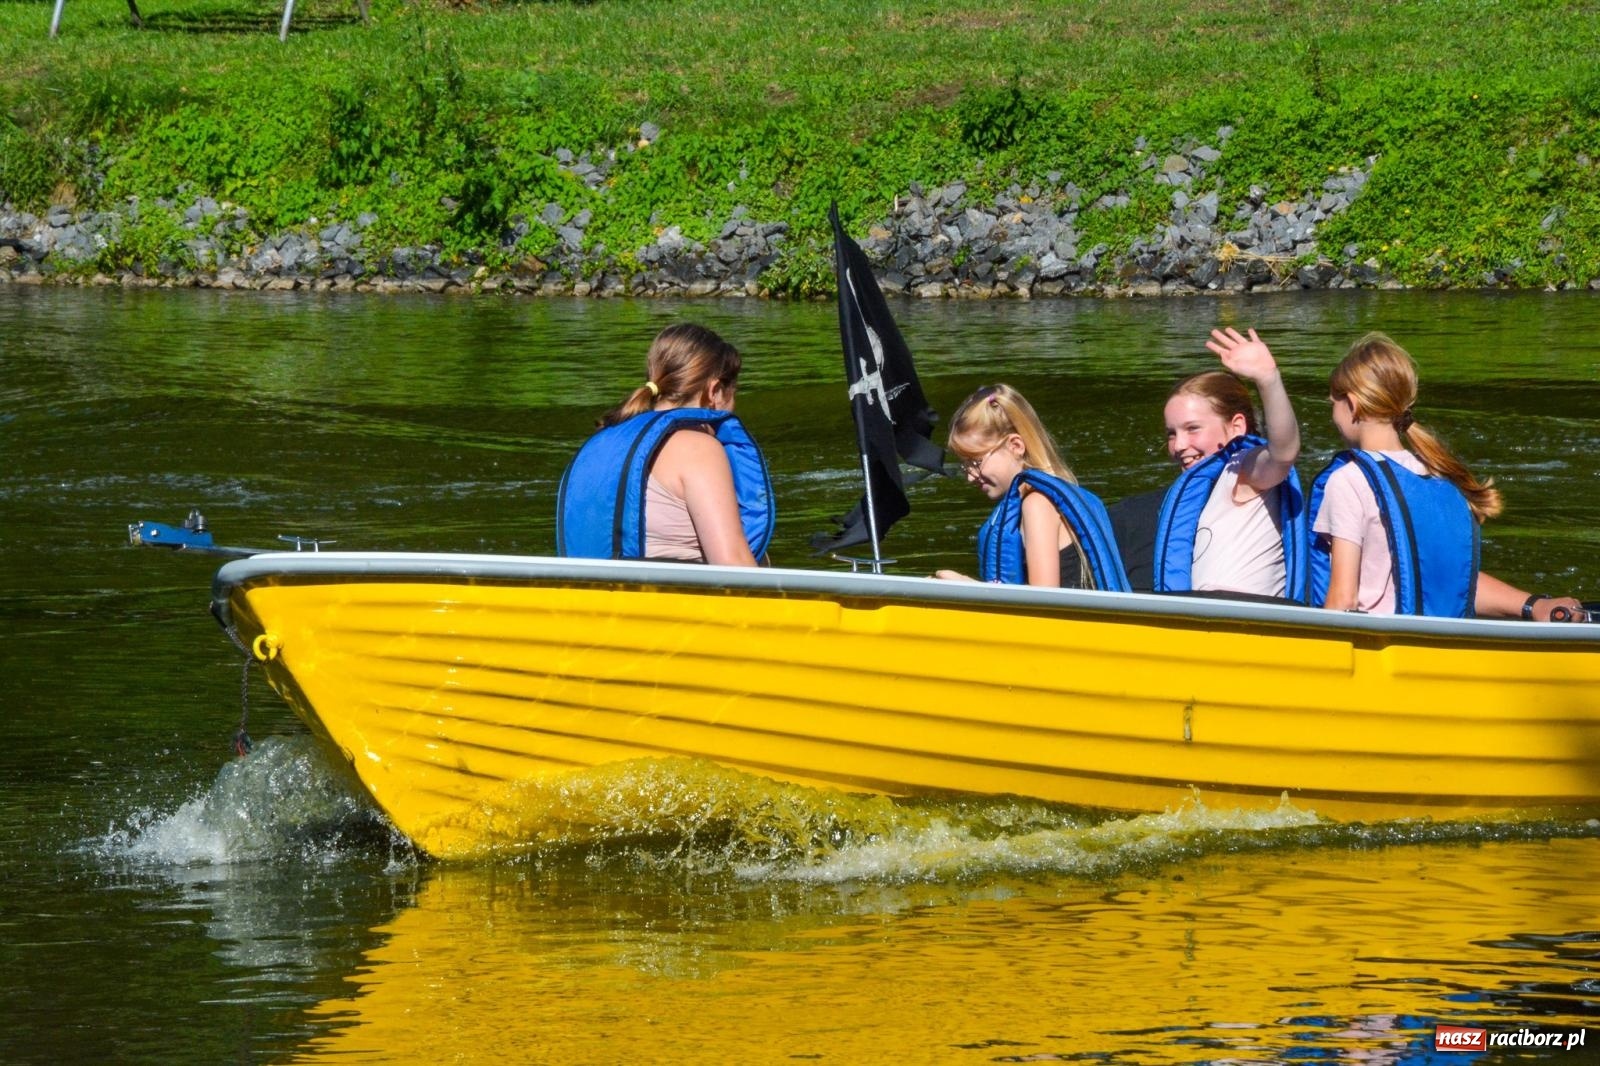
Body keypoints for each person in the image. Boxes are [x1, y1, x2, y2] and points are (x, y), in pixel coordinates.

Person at [1309, 332, 1583, 619]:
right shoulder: (1435, 473)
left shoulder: (1348, 480)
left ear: (1352, 404)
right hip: (1431, 642)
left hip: (1377, 650)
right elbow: (1455, 583)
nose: (1333, 417)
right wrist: (1533, 605)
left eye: (1333, 405)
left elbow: (1342, 599)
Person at [1108, 327, 1304, 599]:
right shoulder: (1198, 491)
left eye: (1193, 429)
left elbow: (1284, 452)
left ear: (1237, 426)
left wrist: (1268, 380)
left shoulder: (1245, 472)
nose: (1178, 445)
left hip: (1249, 627)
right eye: (1171, 433)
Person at [556, 323, 773, 566]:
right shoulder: (698, 448)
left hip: (597, 598)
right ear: (715, 392)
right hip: (675, 600)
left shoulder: (600, 440)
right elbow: (734, 568)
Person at [934, 384, 1129, 590]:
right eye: (965, 465)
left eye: (976, 462)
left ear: (1016, 445)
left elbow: (1043, 604)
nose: (970, 477)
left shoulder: (1038, 504)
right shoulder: (1054, 495)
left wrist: (969, 587)